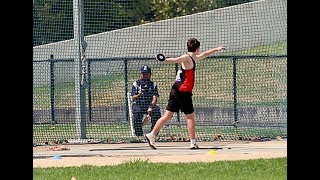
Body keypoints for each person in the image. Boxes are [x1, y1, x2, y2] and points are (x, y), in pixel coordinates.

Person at [145, 38, 225, 149]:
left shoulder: (193, 58)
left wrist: (216, 49)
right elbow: (177, 59)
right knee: (190, 117)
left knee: (168, 115)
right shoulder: (187, 57)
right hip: (183, 91)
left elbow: (204, 54)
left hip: (176, 90)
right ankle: (193, 143)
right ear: (197, 48)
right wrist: (164, 60)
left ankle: (151, 135)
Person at [130, 65, 161, 137]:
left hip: (149, 104)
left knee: (156, 112)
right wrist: (139, 94)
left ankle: (153, 134)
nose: (144, 75)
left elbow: (155, 97)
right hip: (138, 104)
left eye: (146, 74)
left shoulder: (153, 84)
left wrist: (151, 106)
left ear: (150, 74)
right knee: (137, 112)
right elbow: (133, 97)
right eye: (143, 73)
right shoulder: (136, 83)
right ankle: (139, 135)